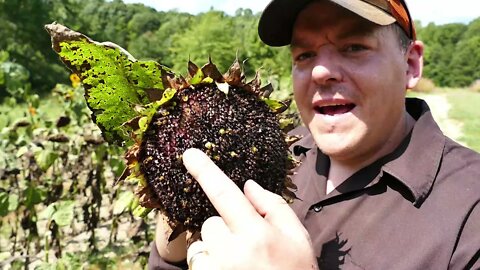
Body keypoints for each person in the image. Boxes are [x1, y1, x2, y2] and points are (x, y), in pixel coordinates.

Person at [149, 0, 480, 269]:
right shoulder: (261, 151)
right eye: (304, 55)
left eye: (353, 46)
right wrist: (176, 213)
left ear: (410, 64)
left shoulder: (469, 212)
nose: (321, 72)